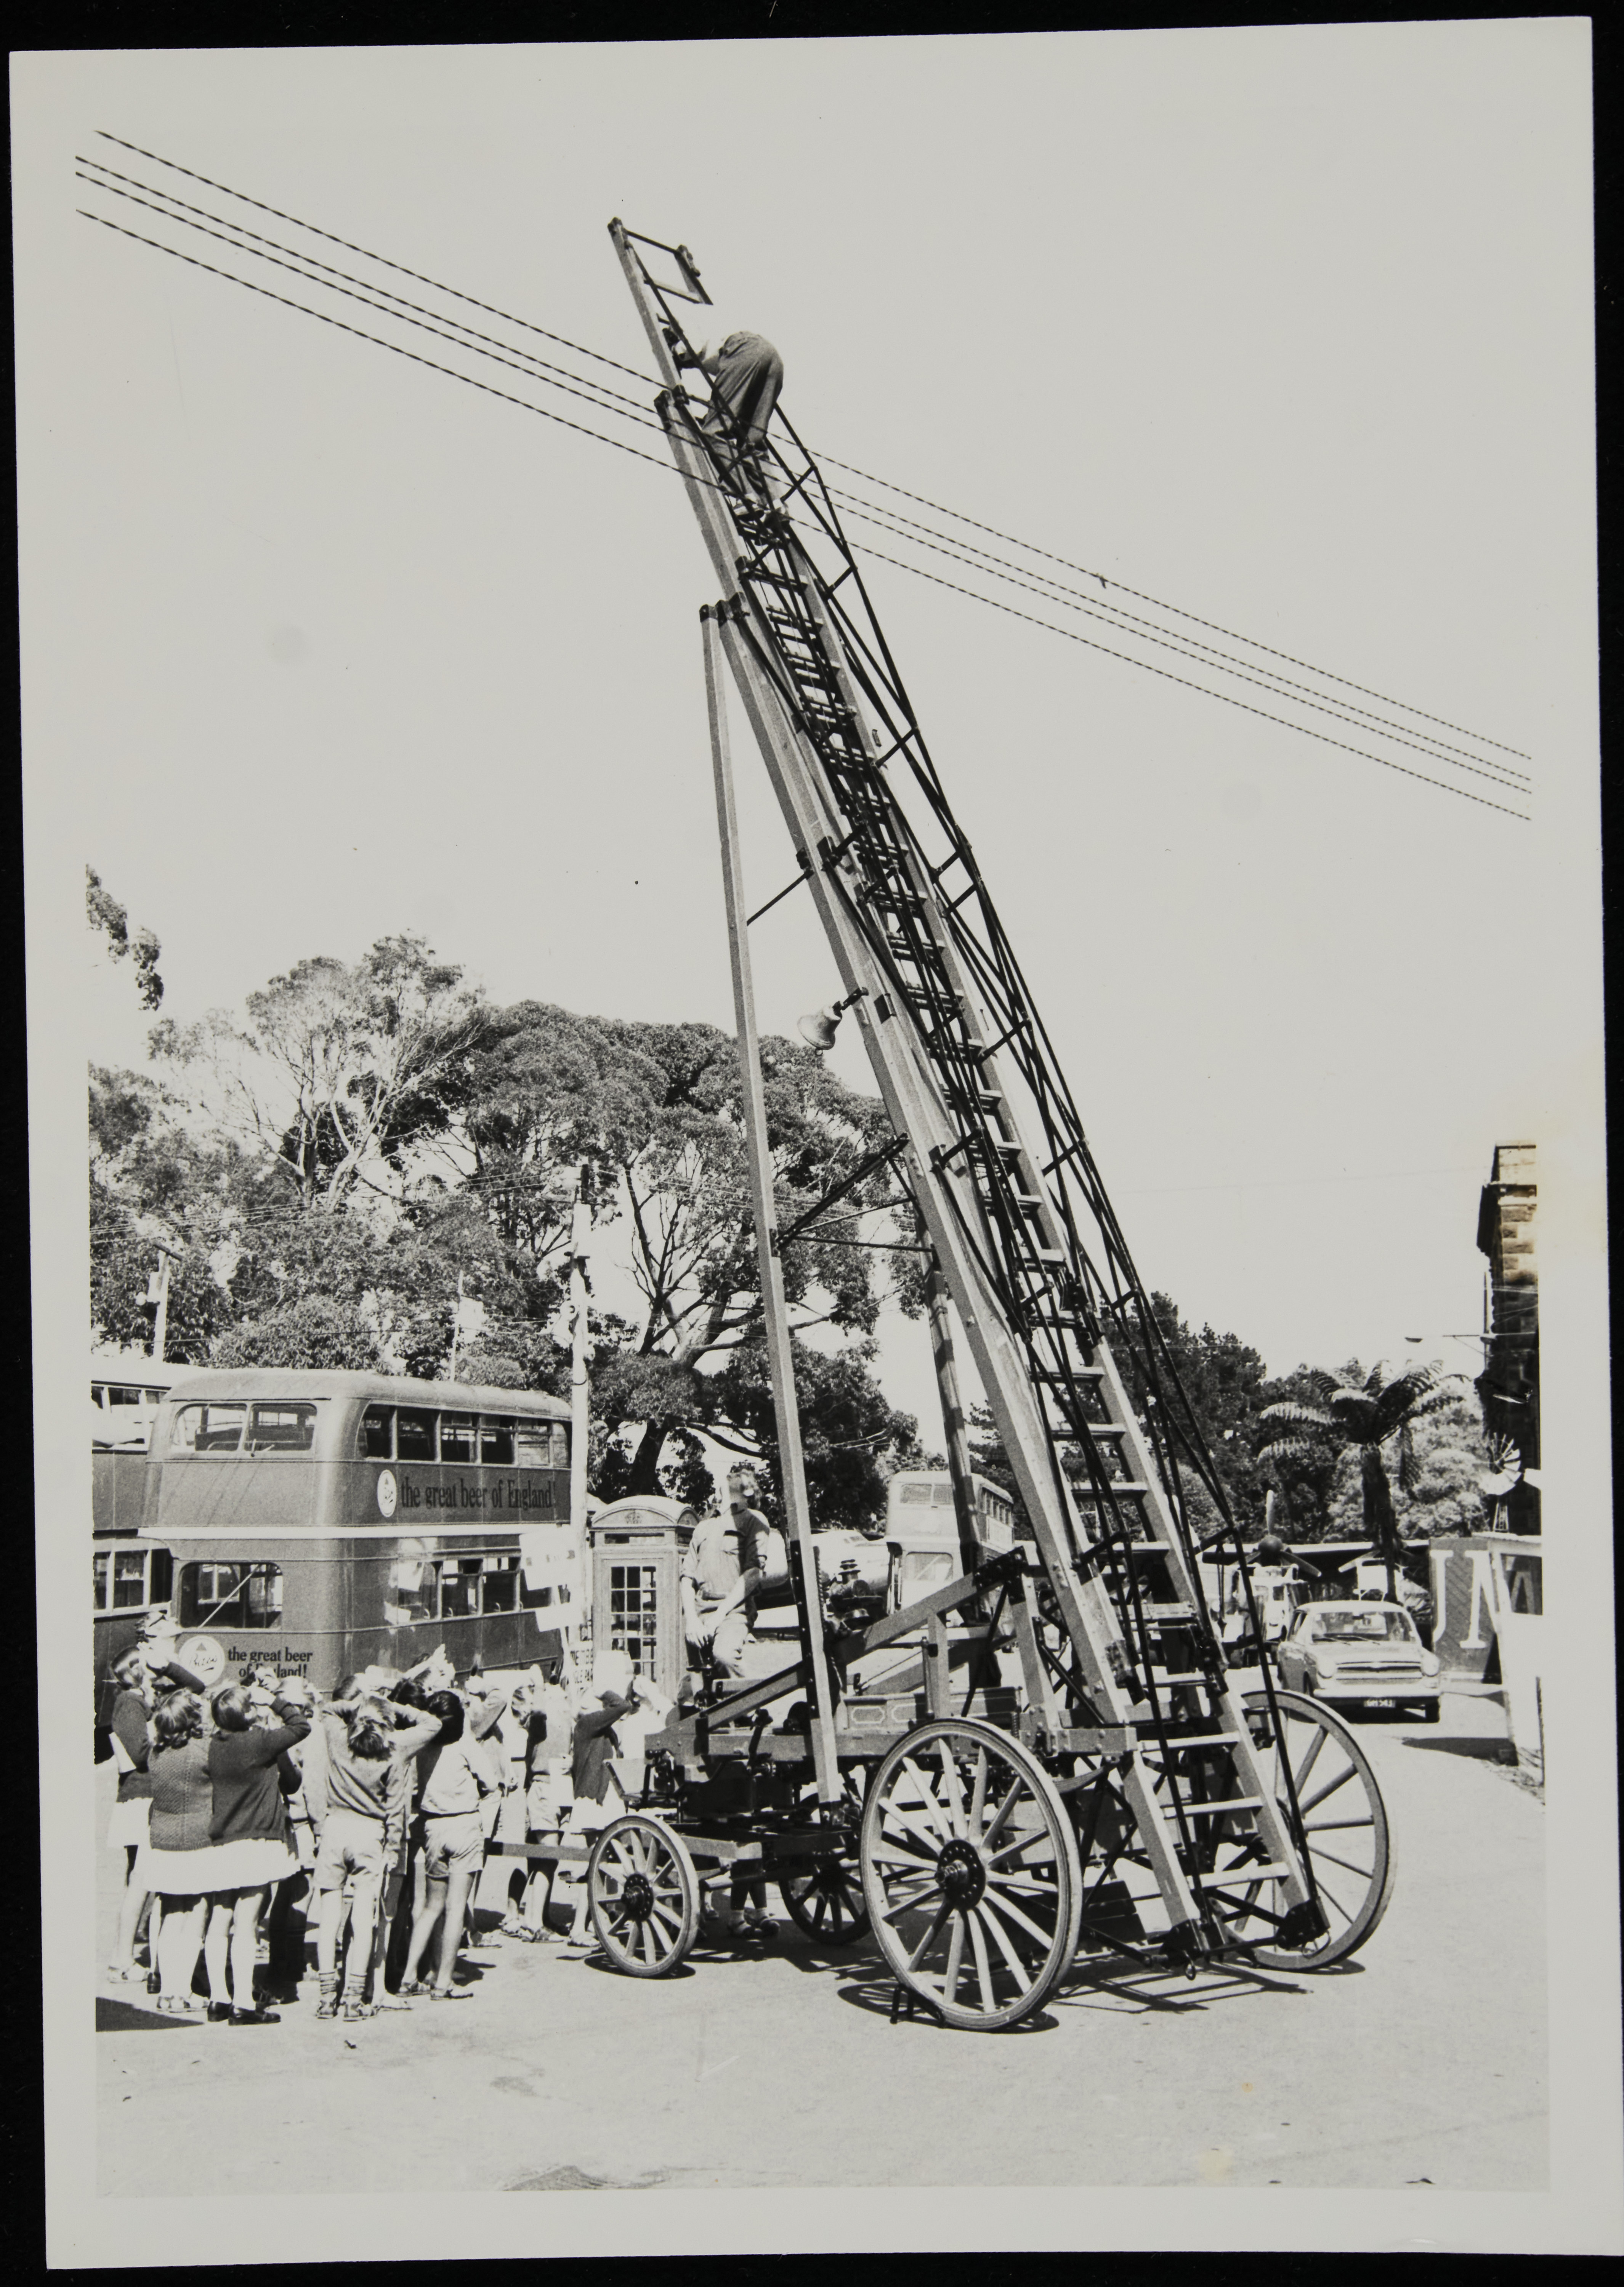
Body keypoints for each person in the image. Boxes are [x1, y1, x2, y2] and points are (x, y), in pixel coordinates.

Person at [305, 1677, 444, 2022]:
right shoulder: (395, 1749)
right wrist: (389, 1705)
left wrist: (360, 1703)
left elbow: (327, 1709)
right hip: (370, 1834)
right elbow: (432, 1724)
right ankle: (354, 1998)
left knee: (329, 1918)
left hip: (335, 1828)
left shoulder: (340, 1740)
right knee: (364, 1918)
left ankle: (327, 1998)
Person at [202, 1682, 311, 2026]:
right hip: (257, 1840)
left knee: (220, 1918)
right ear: (247, 1713)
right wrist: (274, 1701)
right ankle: (243, 2004)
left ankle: (218, 1999)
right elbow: (301, 1726)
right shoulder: (261, 1742)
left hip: (223, 1841)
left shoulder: (215, 1746)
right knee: (247, 1923)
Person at [104, 1633, 207, 1987]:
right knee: (142, 1881)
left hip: (153, 1796)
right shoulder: (129, 1703)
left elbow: (196, 1688)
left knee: (147, 1880)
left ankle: (146, 1961)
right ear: (137, 1670)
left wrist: (169, 1667)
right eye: (148, 1662)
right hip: (141, 1799)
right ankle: (121, 1960)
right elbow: (140, 1753)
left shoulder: (149, 1697)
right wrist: (173, 1742)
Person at [398, 1690, 497, 1999]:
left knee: (431, 1907)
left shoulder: (424, 1747)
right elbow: (491, 1784)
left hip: (433, 1828)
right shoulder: (466, 1745)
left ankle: (409, 1977)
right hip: (464, 1825)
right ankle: (444, 1982)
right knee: (456, 1909)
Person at [142, 1690, 234, 2016]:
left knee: (171, 1912)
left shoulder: (156, 1754)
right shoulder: (204, 1751)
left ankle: (169, 1991)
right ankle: (183, 1991)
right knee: (197, 1911)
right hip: (198, 1838)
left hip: (163, 1838)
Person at [556, 1650, 642, 1949]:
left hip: (603, 1799)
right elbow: (623, 1705)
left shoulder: (599, 1730)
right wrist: (602, 1689)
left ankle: (596, 1922)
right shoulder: (587, 1724)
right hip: (594, 1801)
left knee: (600, 1863)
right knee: (596, 1865)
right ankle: (581, 1926)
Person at [667, 314, 786, 511]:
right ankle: (775, 503)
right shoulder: (713, 323)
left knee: (714, 433)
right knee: (752, 441)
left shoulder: (682, 318)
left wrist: (674, 351)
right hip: (770, 357)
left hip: (743, 352)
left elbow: (692, 347)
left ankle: (746, 498)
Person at [681, 1467, 782, 1683]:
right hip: (699, 1610)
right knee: (697, 1678)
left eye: (736, 1478)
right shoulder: (703, 1527)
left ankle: (755, 1701)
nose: (729, 1478)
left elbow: (754, 1573)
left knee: (724, 1656)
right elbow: (687, 1578)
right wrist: (691, 1620)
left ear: (747, 1491)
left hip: (734, 1611)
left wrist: (719, 1616)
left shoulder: (754, 1520)